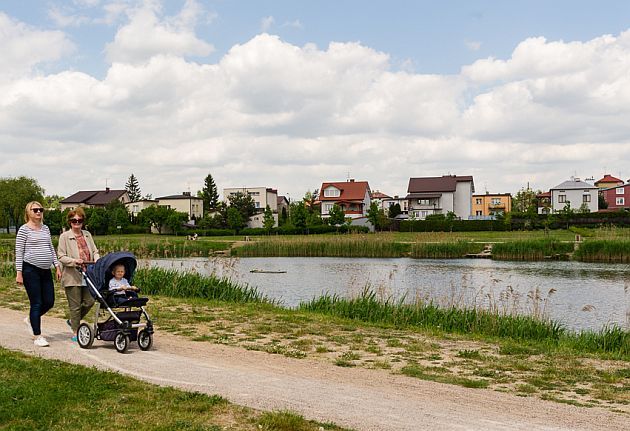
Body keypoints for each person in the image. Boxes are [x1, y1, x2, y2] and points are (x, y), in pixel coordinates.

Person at [15, 201, 62, 347]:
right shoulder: (24, 230)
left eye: (40, 209)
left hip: (45, 270)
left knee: (49, 302)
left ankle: (30, 319)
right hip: (30, 270)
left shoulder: (45, 228)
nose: (38, 212)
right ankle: (38, 336)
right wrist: (19, 272)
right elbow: (19, 252)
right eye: (35, 210)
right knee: (37, 303)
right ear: (28, 212)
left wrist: (57, 266)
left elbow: (50, 248)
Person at [57, 208, 100, 340]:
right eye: (74, 220)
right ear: (70, 222)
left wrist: (97, 259)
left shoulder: (87, 234)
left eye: (80, 221)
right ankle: (76, 331)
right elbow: (61, 256)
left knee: (90, 300)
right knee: (75, 306)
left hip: (88, 274)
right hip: (72, 275)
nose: (77, 223)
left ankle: (73, 321)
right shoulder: (64, 236)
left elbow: (94, 251)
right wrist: (74, 261)